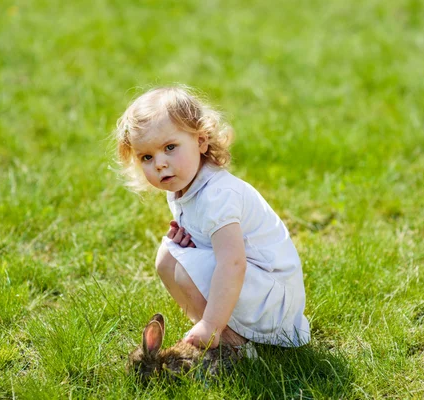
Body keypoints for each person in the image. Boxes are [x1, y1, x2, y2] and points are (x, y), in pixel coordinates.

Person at [115, 86, 310, 355]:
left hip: (274, 300)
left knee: (184, 267)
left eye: (170, 147)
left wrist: (212, 322)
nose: (159, 163)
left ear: (201, 141)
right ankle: (212, 334)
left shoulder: (218, 196)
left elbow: (233, 263)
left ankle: (232, 342)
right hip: (253, 286)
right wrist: (193, 244)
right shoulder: (182, 186)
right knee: (167, 258)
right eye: (147, 157)